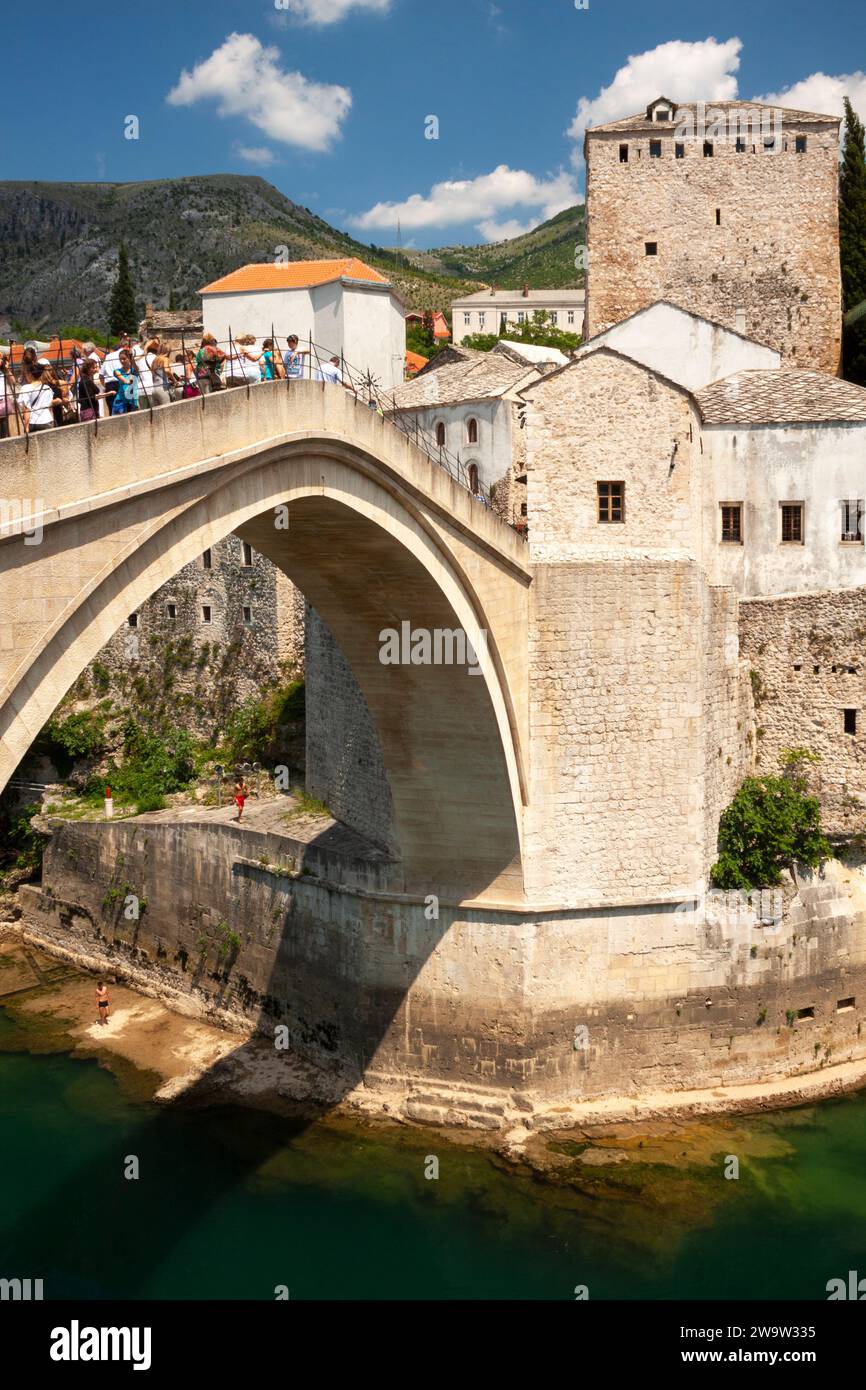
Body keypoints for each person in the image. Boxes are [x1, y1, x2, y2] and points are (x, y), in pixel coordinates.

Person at [17, 362, 56, 433]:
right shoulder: (47, 388)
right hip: (47, 420)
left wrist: (26, 427)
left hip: (33, 422)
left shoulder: (25, 388)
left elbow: (27, 409)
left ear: (30, 374)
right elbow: (50, 407)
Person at [111, 349, 139, 414]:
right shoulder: (117, 371)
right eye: (120, 359)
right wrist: (128, 381)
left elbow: (136, 369)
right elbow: (124, 380)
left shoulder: (134, 371)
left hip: (132, 400)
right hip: (121, 401)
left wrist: (132, 359)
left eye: (124, 358)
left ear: (129, 358)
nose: (122, 361)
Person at [0, 352, 18, 438]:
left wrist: (6, 369)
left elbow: (13, 381)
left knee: (4, 429)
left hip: (4, 402)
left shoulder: (4, 371)